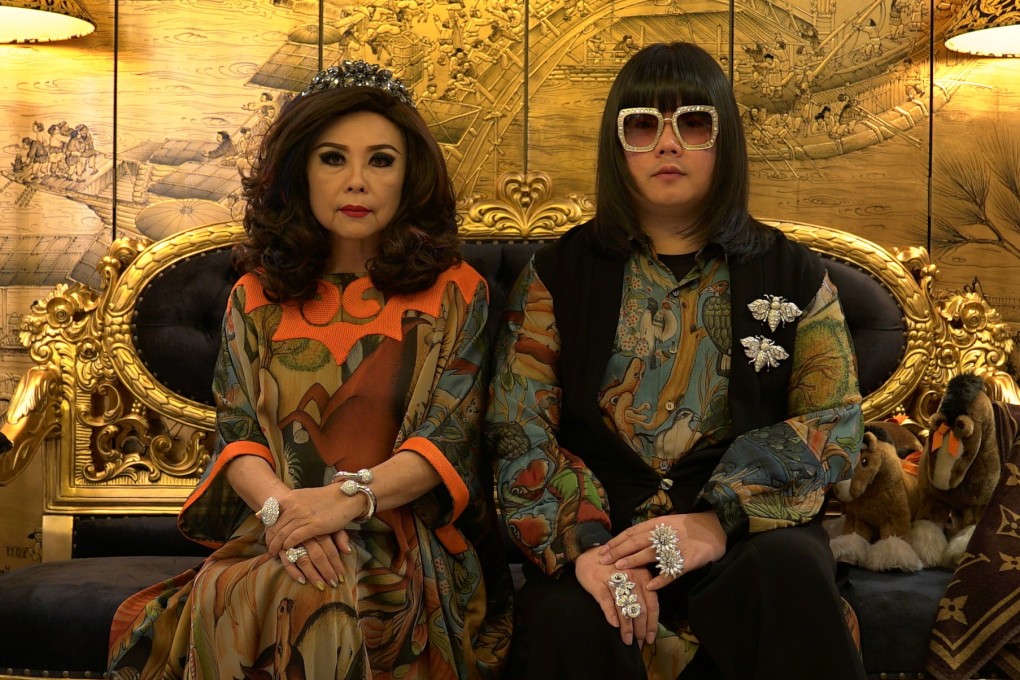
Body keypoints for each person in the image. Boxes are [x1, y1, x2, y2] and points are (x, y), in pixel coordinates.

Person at [108, 60, 513, 679]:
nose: (357, 181)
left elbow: (446, 441)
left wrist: (342, 504)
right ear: (300, 173)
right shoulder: (254, 295)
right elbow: (239, 435)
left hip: (398, 540)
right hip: (277, 529)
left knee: (322, 597)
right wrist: (285, 515)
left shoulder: (457, 292)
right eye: (333, 159)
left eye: (381, 160)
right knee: (246, 588)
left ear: (410, 176)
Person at [486, 42, 865, 680]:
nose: (668, 144)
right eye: (643, 125)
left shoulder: (790, 271)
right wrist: (588, 550)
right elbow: (517, 426)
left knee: (789, 571)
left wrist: (717, 521)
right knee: (569, 617)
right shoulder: (557, 274)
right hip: (605, 538)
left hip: (747, 542)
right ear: (619, 147)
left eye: (693, 123)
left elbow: (836, 421)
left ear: (725, 142)